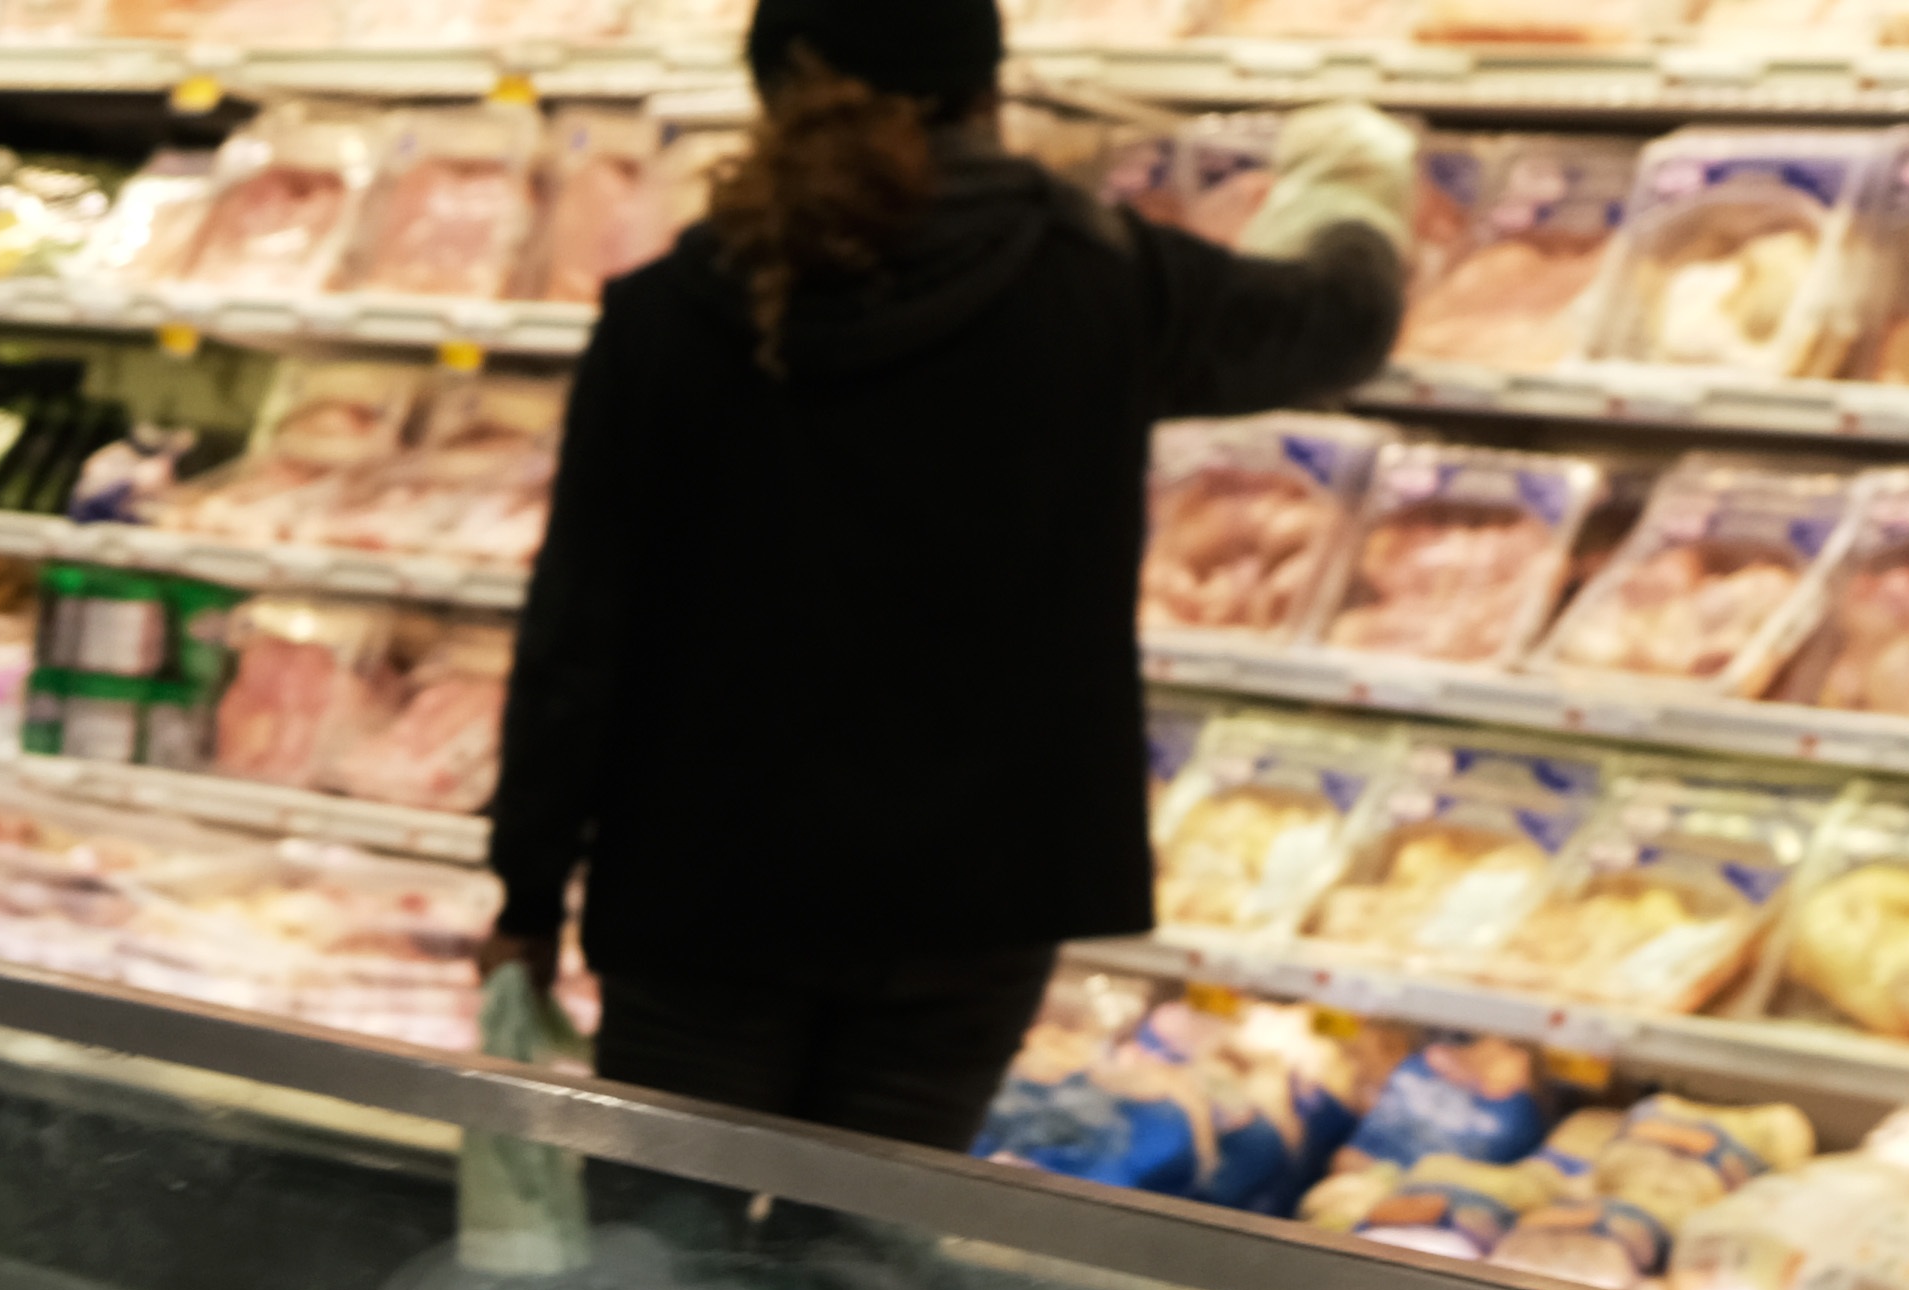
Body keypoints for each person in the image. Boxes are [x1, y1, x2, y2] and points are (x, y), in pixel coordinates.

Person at [484, 0, 1417, 1148]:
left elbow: (578, 631)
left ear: (770, 96)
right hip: (975, 899)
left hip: (706, 890)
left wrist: (528, 891)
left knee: (666, 1264)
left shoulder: (668, 315)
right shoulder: (1097, 279)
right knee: (865, 1279)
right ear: (985, 99)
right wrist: (1355, 181)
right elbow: (1339, 320)